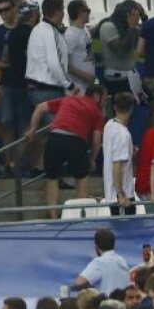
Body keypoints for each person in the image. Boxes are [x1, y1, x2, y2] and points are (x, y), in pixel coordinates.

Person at [26, 87, 105, 218]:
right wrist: (91, 160)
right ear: (97, 96)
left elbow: (40, 108)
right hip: (76, 140)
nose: (105, 102)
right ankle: (80, 214)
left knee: (52, 178)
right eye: (104, 97)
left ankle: (53, 216)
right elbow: (97, 141)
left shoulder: (69, 99)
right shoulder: (97, 112)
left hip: (55, 138)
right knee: (82, 178)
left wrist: (32, 130)